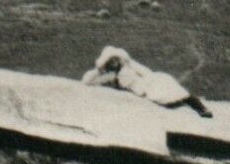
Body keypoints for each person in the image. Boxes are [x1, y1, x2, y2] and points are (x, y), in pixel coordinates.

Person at [81, 46, 212, 117]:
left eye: (116, 60)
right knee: (173, 100)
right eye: (111, 62)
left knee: (178, 96)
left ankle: (202, 109)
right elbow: (87, 81)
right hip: (147, 90)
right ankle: (197, 108)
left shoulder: (130, 66)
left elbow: (147, 74)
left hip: (152, 84)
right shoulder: (115, 77)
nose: (115, 63)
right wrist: (98, 70)